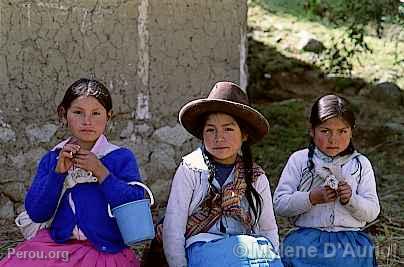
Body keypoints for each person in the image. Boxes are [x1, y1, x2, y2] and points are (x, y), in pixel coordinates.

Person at [1, 78, 144, 267]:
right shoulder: (52, 158)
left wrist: (101, 172)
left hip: (105, 252)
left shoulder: (120, 158)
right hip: (54, 248)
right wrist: (57, 174)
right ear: (64, 114)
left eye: (96, 113)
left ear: (108, 116)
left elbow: (135, 202)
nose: (87, 121)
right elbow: (37, 213)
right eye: (78, 112)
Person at [163, 81, 283, 267]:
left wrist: (273, 259)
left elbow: (268, 227)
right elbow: (173, 227)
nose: (219, 138)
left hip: (246, 252)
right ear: (202, 134)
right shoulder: (191, 170)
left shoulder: (255, 176)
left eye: (228, 129)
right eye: (211, 130)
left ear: (244, 135)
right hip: (203, 249)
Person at [273, 94, 380, 267]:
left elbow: (373, 211)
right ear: (311, 130)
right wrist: (311, 198)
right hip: (307, 240)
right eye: (325, 131)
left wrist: (350, 200)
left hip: (349, 243)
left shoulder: (360, 164)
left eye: (342, 131)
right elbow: (280, 203)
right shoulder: (300, 160)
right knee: (292, 251)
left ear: (351, 131)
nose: (333, 139)